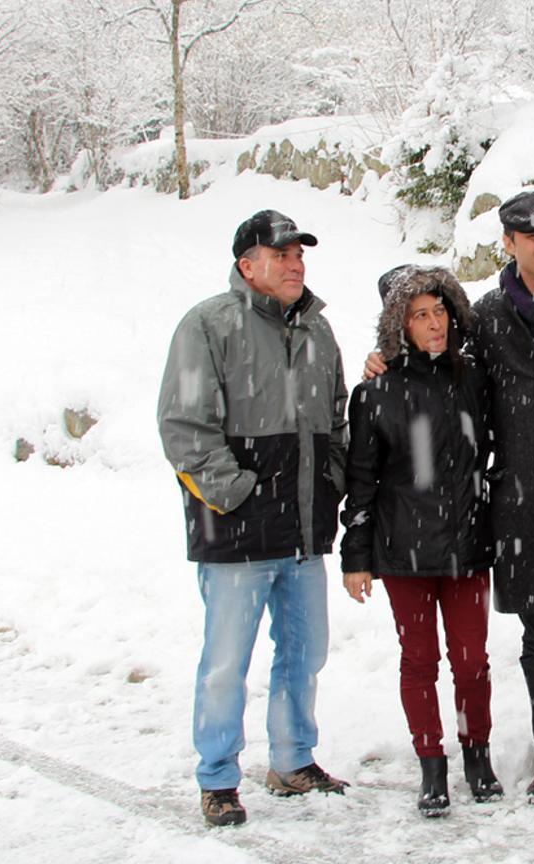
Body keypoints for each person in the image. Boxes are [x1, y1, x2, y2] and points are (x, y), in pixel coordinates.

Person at [364, 191, 534, 809]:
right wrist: (383, 361)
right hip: (520, 505)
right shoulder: (484, 318)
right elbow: (432, 361)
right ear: (508, 244)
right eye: (533, 235)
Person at [157, 209, 349, 828]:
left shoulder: (318, 330)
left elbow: (337, 420)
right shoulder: (208, 325)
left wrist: (333, 481)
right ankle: (217, 776)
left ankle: (293, 760)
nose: (296, 263)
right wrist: (237, 494)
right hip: (235, 531)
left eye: (301, 254)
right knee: (225, 662)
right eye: (283, 253)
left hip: (302, 532)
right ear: (248, 264)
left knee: (305, 651)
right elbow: (184, 428)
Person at [340, 265, 501, 817]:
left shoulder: (476, 380)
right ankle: (432, 764)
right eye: (420, 315)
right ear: (398, 326)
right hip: (403, 553)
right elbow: (360, 481)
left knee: (472, 662)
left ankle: (476, 753)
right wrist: (355, 557)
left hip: (467, 549)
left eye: (440, 311)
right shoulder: (375, 391)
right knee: (419, 661)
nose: (435, 324)